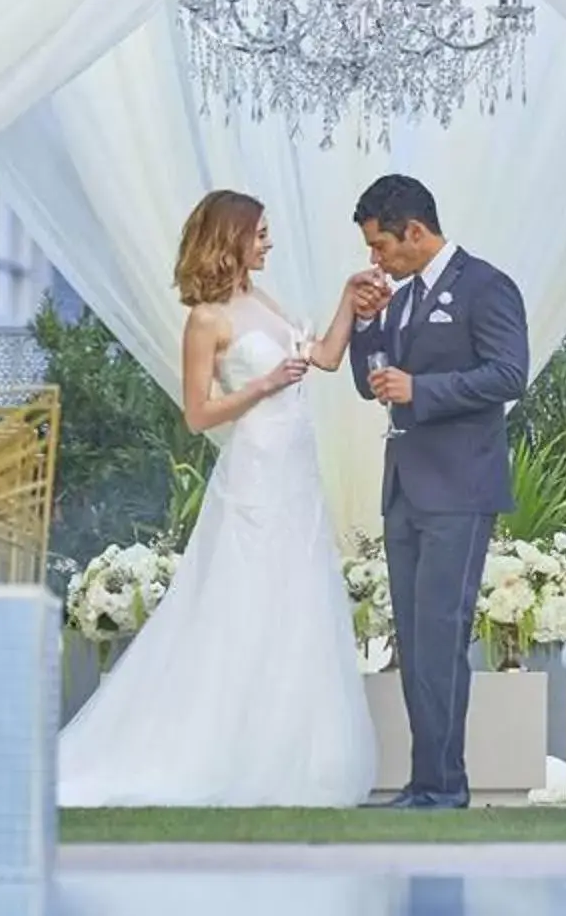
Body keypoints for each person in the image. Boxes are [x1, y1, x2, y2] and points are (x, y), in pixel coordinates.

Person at [57, 190, 379, 808]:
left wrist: (347, 299)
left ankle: (295, 758)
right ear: (229, 238)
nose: (267, 243)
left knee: (298, 604)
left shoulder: (261, 301)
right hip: (256, 470)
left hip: (297, 472)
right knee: (242, 603)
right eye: (259, 233)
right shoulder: (207, 320)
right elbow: (199, 414)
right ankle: (219, 750)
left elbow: (327, 358)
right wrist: (261, 385)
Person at [347, 175, 531, 810]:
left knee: (442, 636)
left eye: (381, 246)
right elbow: (371, 383)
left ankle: (444, 786)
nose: (376, 260)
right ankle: (427, 781)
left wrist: (423, 391)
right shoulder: (399, 299)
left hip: (460, 487)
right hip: (403, 488)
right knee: (415, 639)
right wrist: (368, 327)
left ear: (415, 233)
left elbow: (510, 374)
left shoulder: (486, 286)